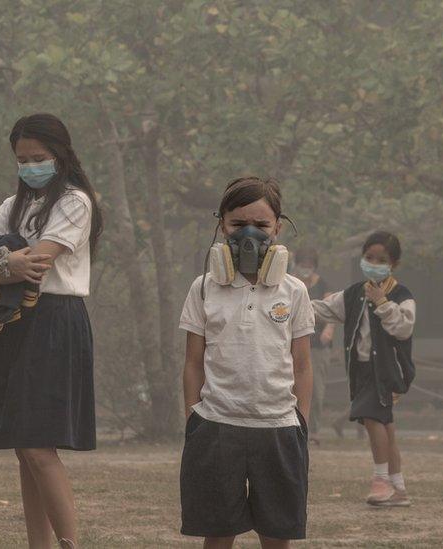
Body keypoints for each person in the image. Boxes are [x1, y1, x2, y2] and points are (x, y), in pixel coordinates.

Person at [0, 113, 103, 549]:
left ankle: (68, 543)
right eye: (22, 159)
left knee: (40, 446)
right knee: (24, 448)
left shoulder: (76, 201)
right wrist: (5, 267)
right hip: (12, 322)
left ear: (61, 155)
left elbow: (38, 264)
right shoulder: (13, 205)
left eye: (38, 157)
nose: (30, 165)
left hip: (54, 321)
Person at [179, 176, 314, 548]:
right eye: (238, 225)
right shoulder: (204, 287)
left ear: (278, 228)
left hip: (280, 427)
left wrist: (301, 421)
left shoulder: (295, 290)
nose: (249, 234)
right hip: (216, 424)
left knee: (277, 533)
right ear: (221, 225)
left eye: (261, 225)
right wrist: (194, 418)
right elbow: (193, 361)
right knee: (218, 531)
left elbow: (301, 364)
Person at [312, 230, 415, 507]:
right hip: (361, 369)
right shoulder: (355, 293)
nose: (373, 263)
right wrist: (290, 305)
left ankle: (380, 480)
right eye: (369, 257)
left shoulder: (401, 295)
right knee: (386, 426)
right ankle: (398, 486)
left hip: (386, 370)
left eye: (380, 259)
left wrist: (382, 302)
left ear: (393, 263)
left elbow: (403, 329)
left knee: (372, 420)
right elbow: (322, 309)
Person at [292, 247, 333, 444]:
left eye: (309, 266)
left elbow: (331, 310)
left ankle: (313, 429)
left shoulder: (323, 284)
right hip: (293, 343)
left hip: (317, 345)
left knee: (316, 389)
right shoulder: (290, 283)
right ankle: (293, 427)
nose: (306, 269)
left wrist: (328, 331)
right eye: (303, 265)